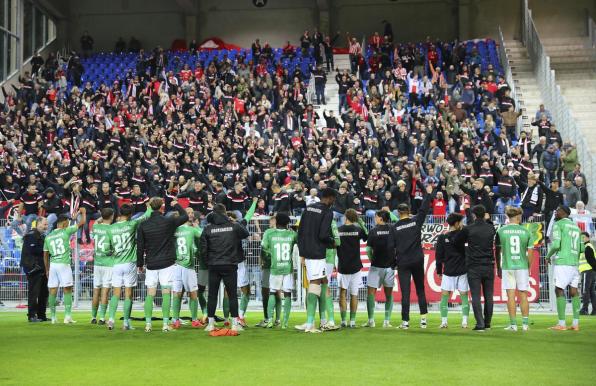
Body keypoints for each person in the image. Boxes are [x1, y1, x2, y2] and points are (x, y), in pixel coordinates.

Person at [137, 198, 189, 333]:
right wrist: (176, 204)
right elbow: (185, 216)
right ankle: (165, 325)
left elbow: (140, 247)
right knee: (166, 293)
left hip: (151, 264)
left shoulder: (143, 225)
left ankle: (148, 325)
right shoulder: (169, 221)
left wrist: (139, 264)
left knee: (150, 294)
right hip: (167, 263)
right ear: (162, 208)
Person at [200, 204, 250, 332]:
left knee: (212, 295)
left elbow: (203, 249)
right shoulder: (233, 226)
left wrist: (208, 263)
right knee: (232, 295)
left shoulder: (208, 228)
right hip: (230, 264)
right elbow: (245, 233)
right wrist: (234, 221)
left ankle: (210, 324)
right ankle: (234, 324)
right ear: (225, 212)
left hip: (214, 265)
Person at [392, 183, 435, 329]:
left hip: (403, 262)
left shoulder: (395, 227)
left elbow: (391, 247)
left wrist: (394, 263)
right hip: (417, 259)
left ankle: (405, 322)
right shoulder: (415, 221)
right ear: (409, 211)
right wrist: (428, 194)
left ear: (398, 212)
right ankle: (423, 319)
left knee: (405, 292)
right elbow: (423, 209)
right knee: (420, 289)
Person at [296, 187, 336, 333]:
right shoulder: (327, 211)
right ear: (330, 198)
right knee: (315, 283)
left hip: (306, 252)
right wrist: (332, 242)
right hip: (317, 252)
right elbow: (323, 235)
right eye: (333, 199)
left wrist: (302, 252)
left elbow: (300, 232)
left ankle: (324, 320)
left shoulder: (308, 208)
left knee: (323, 280)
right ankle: (310, 323)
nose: (333, 202)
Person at [106, 202, 152, 331]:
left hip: (116, 264)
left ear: (120, 214)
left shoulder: (111, 228)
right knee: (128, 294)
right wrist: (148, 207)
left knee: (115, 293)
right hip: (129, 263)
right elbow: (146, 216)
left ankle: (111, 319)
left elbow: (107, 248)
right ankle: (126, 322)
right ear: (130, 214)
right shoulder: (132, 224)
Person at [455, 204, 496, 332]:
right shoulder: (491, 228)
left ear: (473, 215)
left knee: (476, 295)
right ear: (484, 214)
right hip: (489, 264)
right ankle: (488, 323)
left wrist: (467, 248)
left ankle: (480, 324)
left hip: (474, 265)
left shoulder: (468, 229)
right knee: (489, 295)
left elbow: (457, 242)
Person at [43, 209, 86, 324]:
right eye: (67, 222)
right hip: (64, 264)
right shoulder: (66, 231)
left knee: (52, 291)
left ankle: (53, 317)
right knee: (67, 289)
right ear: (63, 223)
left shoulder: (48, 236)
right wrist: (83, 212)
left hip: (53, 266)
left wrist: (47, 269)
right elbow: (82, 222)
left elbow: (45, 255)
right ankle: (67, 316)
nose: (68, 223)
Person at [546, 205, 584, 331]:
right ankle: (575, 323)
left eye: (557, 211)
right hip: (575, 262)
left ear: (564, 212)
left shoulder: (559, 225)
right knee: (574, 292)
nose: (555, 213)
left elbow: (556, 244)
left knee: (559, 289)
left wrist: (548, 256)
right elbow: (582, 248)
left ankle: (561, 324)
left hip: (563, 261)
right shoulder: (577, 228)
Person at [495, 207, 533, 331]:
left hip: (507, 266)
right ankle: (525, 325)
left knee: (510, 295)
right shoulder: (526, 231)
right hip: (522, 266)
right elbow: (530, 252)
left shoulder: (501, 231)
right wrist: (528, 266)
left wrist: (498, 267)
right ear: (518, 217)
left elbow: (498, 250)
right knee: (523, 295)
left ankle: (513, 325)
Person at [261, 212, 297, 329]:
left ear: (276, 222)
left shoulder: (269, 233)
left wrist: (270, 256)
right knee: (287, 294)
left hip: (275, 267)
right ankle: (284, 323)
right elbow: (300, 242)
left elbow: (264, 247)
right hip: (287, 268)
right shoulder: (292, 234)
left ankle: (270, 320)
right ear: (287, 223)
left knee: (272, 292)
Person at [435, 212, 469, 329]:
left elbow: (438, 256)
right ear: (456, 223)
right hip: (462, 270)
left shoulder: (442, 237)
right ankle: (464, 321)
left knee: (445, 296)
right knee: (464, 295)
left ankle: (444, 322)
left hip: (449, 271)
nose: (462, 224)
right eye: (461, 222)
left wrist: (439, 271)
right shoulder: (463, 235)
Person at [171, 207, 203, 329]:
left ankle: (175, 320)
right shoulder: (191, 230)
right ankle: (194, 320)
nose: (191, 215)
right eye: (188, 213)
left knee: (177, 293)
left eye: (191, 213)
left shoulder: (174, 230)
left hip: (175, 265)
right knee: (193, 293)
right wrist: (197, 226)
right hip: (188, 266)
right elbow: (203, 235)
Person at [364, 210, 397, 328]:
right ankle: (387, 321)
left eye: (376, 217)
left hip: (376, 266)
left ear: (381, 218)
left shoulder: (373, 231)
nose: (374, 219)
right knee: (389, 295)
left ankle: (371, 320)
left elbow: (368, 249)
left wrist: (372, 259)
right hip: (390, 266)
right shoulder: (393, 229)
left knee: (371, 293)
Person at [337, 209, 368, 328]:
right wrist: (361, 223)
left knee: (343, 293)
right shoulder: (358, 230)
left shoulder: (339, 230)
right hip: (356, 265)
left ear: (345, 217)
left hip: (343, 266)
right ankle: (353, 321)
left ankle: (343, 320)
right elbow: (366, 237)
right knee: (354, 294)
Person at [20, 217, 49, 322]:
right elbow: (32, 250)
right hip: (33, 268)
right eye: (45, 224)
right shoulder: (31, 235)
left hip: (41, 268)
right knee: (34, 293)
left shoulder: (41, 236)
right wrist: (47, 249)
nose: (46, 226)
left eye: (47, 224)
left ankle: (41, 315)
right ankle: (32, 316)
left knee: (43, 293)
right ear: (38, 224)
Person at [90, 208, 115, 325]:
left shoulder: (96, 227)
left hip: (97, 263)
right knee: (105, 291)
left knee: (96, 291)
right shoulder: (111, 229)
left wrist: (102, 217)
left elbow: (96, 221)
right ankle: (101, 318)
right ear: (112, 216)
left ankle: (93, 317)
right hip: (108, 264)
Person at [579, 232, 596, 315]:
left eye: (583, 237)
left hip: (587, 271)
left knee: (585, 291)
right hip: (591, 271)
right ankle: (594, 310)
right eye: (581, 237)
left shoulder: (587, 247)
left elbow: (591, 260)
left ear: (588, 238)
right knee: (591, 291)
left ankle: (584, 309)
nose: (582, 239)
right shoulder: (589, 246)